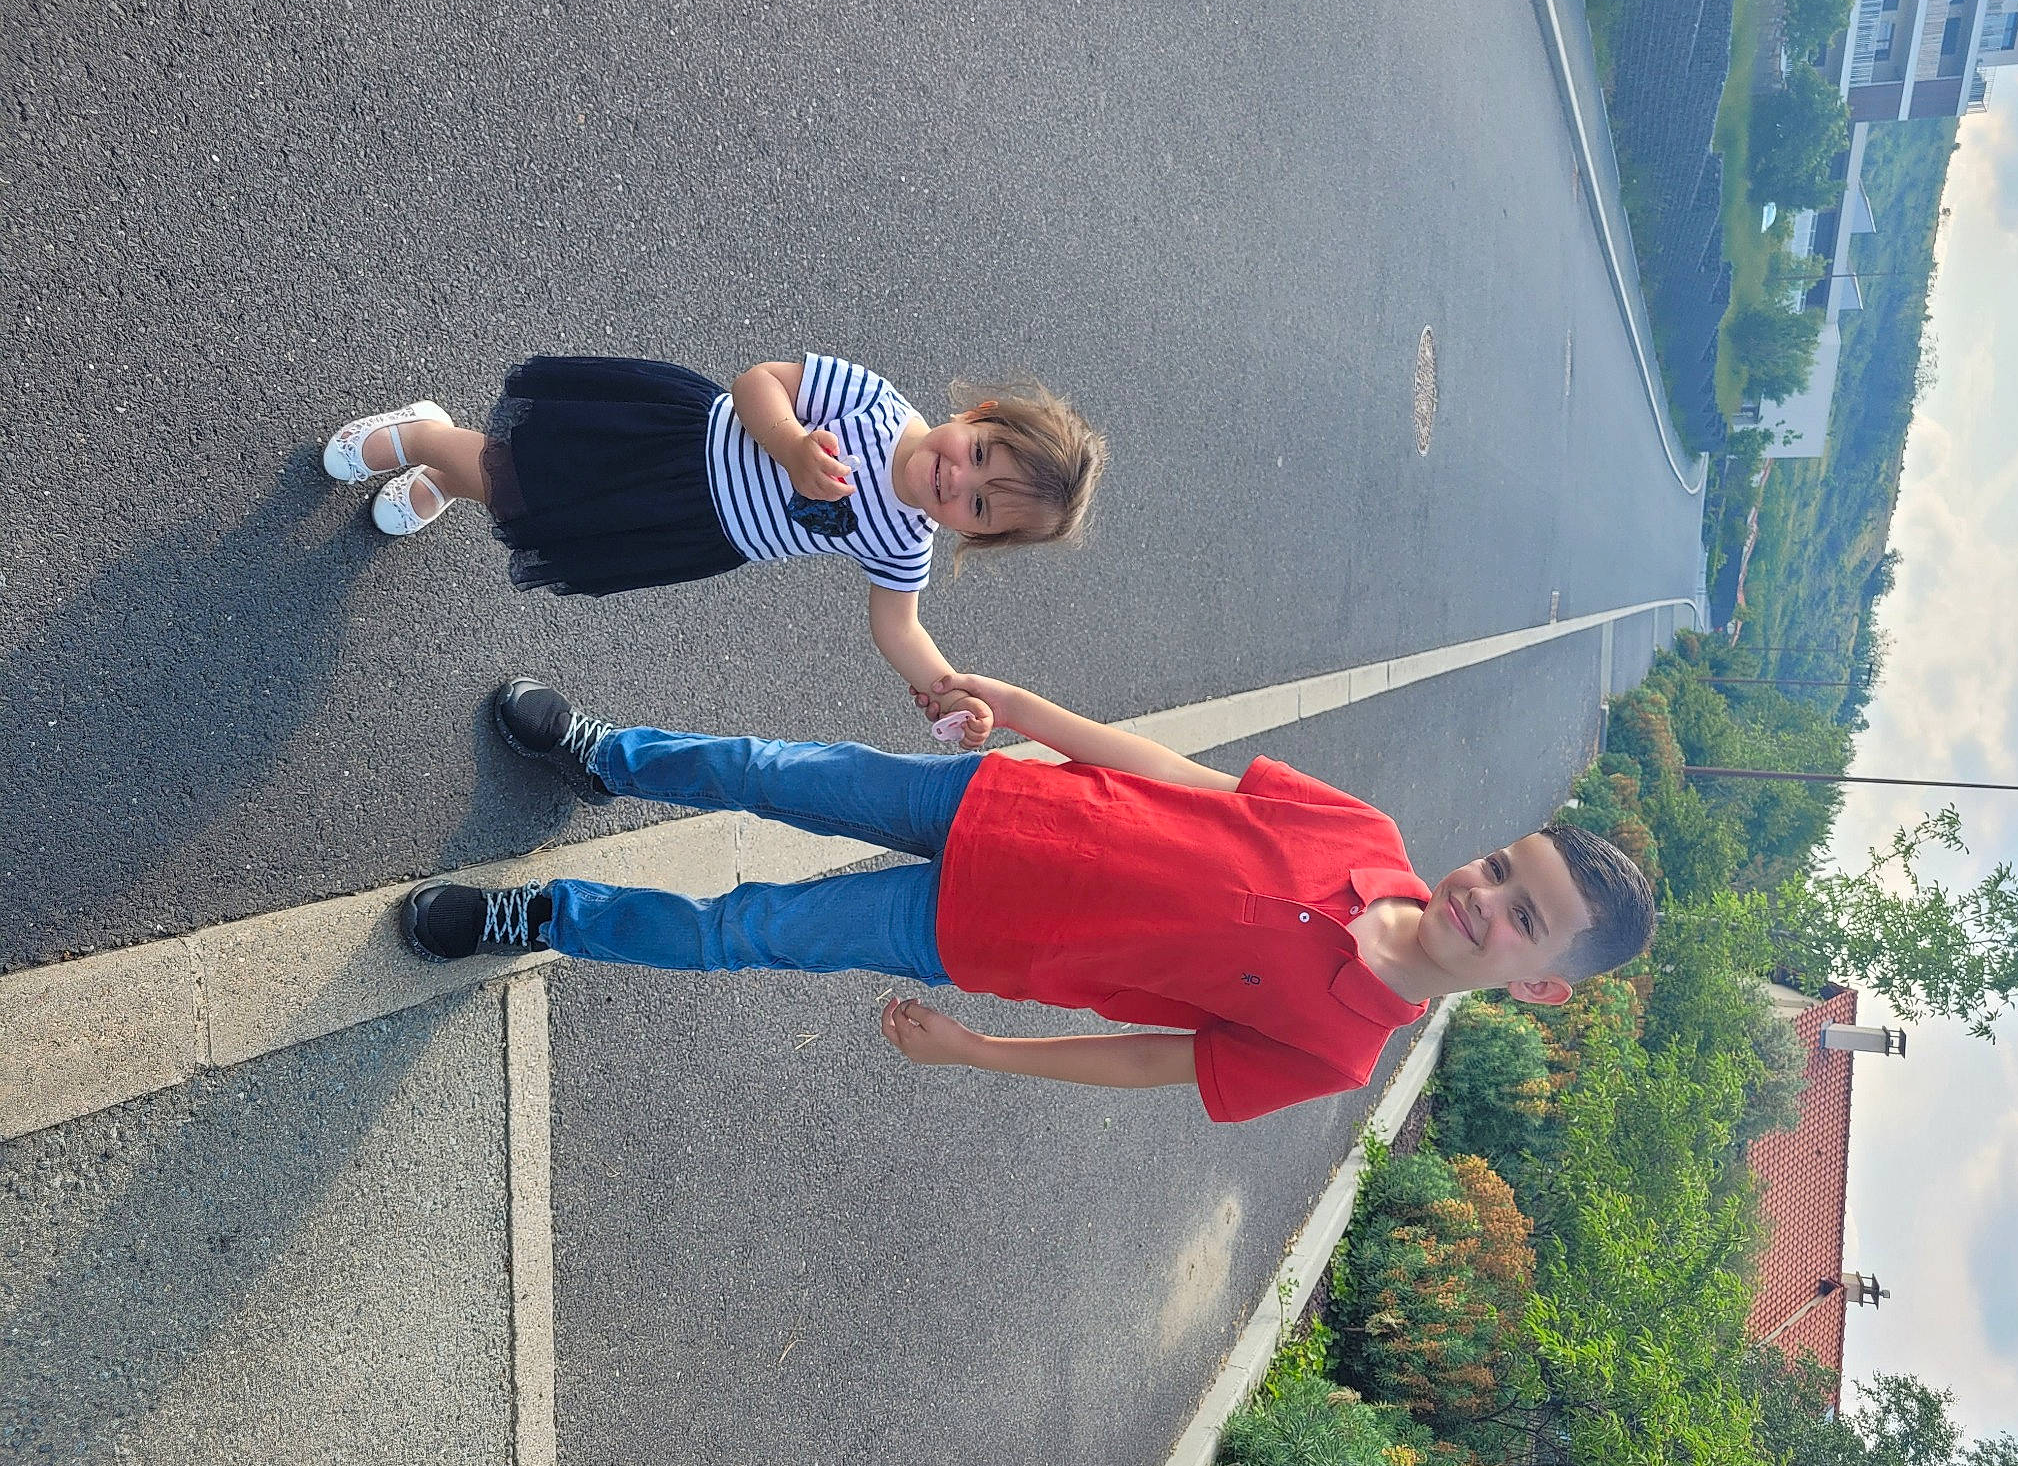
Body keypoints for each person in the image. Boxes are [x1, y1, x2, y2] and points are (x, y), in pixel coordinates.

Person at [402, 675, 1657, 1122]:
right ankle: (606, 758)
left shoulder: (1337, 1054)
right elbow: (1179, 779)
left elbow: (1148, 1062)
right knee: (765, 771)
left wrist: (978, 1052)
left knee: (746, 930)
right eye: (1504, 866)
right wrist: (1028, 711)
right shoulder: (1364, 834)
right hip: (990, 802)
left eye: (1521, 918)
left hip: (966, 935)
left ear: (1539, 987)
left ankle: (543, 919)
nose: (1483, 895)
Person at [322, 355, 1105, 747]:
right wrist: (792, 445)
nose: (956, 478)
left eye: (978, 504)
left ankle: (450, 474)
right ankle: (429, 437)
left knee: (547, 510)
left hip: (690, 530)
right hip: (670, 446)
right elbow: (758, 382)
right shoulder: (875, 406)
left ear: (974, 532)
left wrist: (947, 692)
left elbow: (897, 625)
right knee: (533, 479)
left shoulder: (907, 539)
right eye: (978, 453)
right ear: (977, 413)